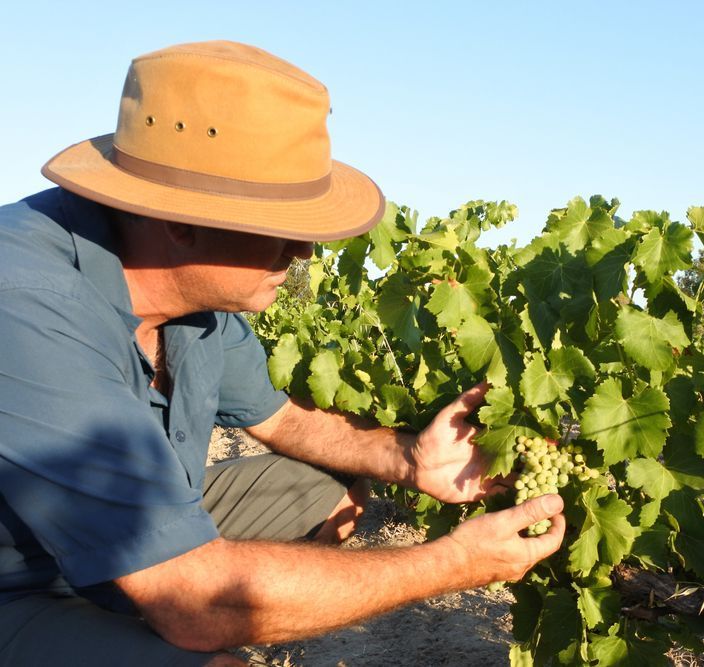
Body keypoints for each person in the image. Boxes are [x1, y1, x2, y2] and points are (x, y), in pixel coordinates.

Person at [0, 40, 566, 665]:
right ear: (181, 219)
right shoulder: (25, 301)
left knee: (329, 487)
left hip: (112, 539)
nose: (305, 255)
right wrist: (454, 562)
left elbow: (285, 419)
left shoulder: (195, 300)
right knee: (206, 639)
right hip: (18, 588)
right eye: (286, 227)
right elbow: (194, 599)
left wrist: (408, 459)